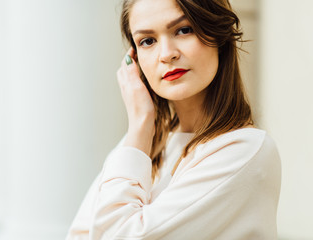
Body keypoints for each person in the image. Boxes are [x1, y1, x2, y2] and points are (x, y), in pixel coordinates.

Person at [66, 0, 281, 239]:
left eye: (184, 30)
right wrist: (140, 129)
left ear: (217, 33)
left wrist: (140, 124)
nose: (167, 54)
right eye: (147, 41)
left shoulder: (244, 150)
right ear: (135, 60)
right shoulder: (143, 144)